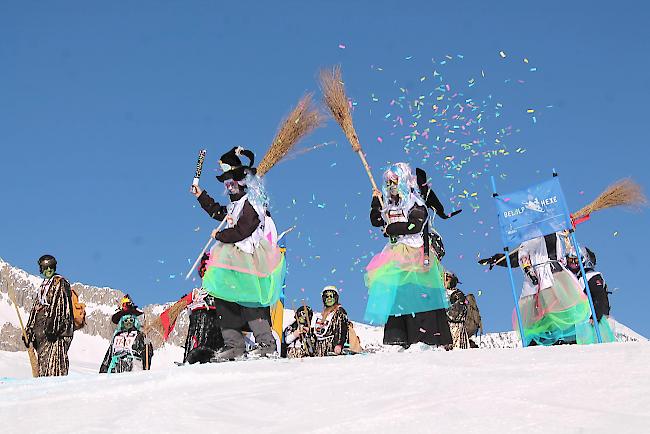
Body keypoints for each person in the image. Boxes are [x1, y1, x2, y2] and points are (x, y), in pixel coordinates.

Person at [191, 146, 285, 360]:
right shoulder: (234, 205)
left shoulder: (253, 203)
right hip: (231, 257)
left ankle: (266, 343)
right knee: (224, 298)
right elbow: (218, 212)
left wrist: (220, 237)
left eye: (232, 181)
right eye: (226, 182)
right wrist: (201, 196)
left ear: (242, 181)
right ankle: (234, 344)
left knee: (250, 299)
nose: (229, 186)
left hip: (249, 258)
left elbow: (244, 229)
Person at [365, 163, 453, 349]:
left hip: (414, 252)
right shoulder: (388, 204)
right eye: (387, 183)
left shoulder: (414, 201)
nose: (390, 187)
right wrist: (375, 201)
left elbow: (417, 223)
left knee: (417, 291)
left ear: (403, 182)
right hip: (394, 254)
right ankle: (398, 336)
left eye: (394, 182)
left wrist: (393, 228)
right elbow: (376, 220)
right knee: (397, 293)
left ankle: (424, 337)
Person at [479, 231, 591, 346]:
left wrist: (561, 224)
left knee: (556, 309)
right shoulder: (527, 239)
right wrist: (497, 259)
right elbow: (516, 258)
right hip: (533, 283)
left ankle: (565, 339)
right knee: (535, 314)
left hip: (552, 276)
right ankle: (539, 341)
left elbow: (556, 242)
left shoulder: (549, 230)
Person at [23, 254, 74, 377]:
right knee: (43, 364)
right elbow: (35, 308)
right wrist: (29, 330)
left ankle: (55, 390)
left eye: (51, 267)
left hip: (56, 334)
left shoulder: (60, 282)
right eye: (45, 267)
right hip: (41, 332)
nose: (48, 270)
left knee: (54, 365)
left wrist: (53, 326)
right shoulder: (43, 286)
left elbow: (61, 307)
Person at [566, 246, 616, 343]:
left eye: (576, 261)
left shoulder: (591, 276)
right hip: (578, 322)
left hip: (593, 319)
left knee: (592, 344)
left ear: (582, 261)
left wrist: (595, 315)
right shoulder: (571, 277)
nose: (573, 264)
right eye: (570, 261)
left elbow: (600, 296)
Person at [182, 253, 225, 364]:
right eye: (204, 272)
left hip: (219, 323)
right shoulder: (198, 292)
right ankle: (194, 353)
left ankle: (217, 351)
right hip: (200, 325)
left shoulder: (224, 289)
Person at [100, 295, 153, 373]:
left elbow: (147, 355)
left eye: (130, 320)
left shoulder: (139, 335)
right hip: (115, 371)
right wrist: (102, 374)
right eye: (125, 320)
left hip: (134, 371)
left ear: (134, 321)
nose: (128, 322)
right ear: (121, 322)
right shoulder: (116, 337)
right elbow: (108, 357)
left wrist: (147, 346)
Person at [313, 286, 349, 356]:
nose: (329, 298)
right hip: (320, 350)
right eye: (326, 296)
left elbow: (343, 329)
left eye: (331, 296)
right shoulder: (321, 315)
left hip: (333, 349)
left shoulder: (339, 312)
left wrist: (340, 344)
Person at [444, 272, 470, 350]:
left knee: (458, 353)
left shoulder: (457, 294)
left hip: (456, 327)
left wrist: (445, 314)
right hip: (446, 327)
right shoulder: (442, 293)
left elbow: (458, 312)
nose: (445, 281)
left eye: (447, 278)